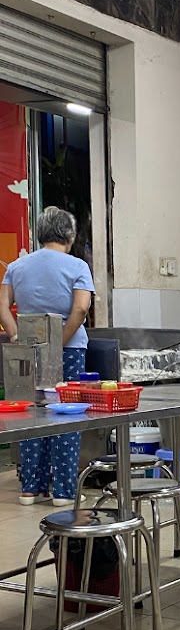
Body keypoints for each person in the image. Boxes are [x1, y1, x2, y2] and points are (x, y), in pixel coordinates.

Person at [0, 207, 94, 505]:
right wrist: (59, 342)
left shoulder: (17, 266)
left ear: (40, 234)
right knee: (66, 413)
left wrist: (17, 336)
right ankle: (63, 491)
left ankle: (30, 488)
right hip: (69, 350)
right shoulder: (78, 266)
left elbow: (2, 306)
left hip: (27, 350)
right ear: (70, 235)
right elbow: (81, 308)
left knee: (31, 414)